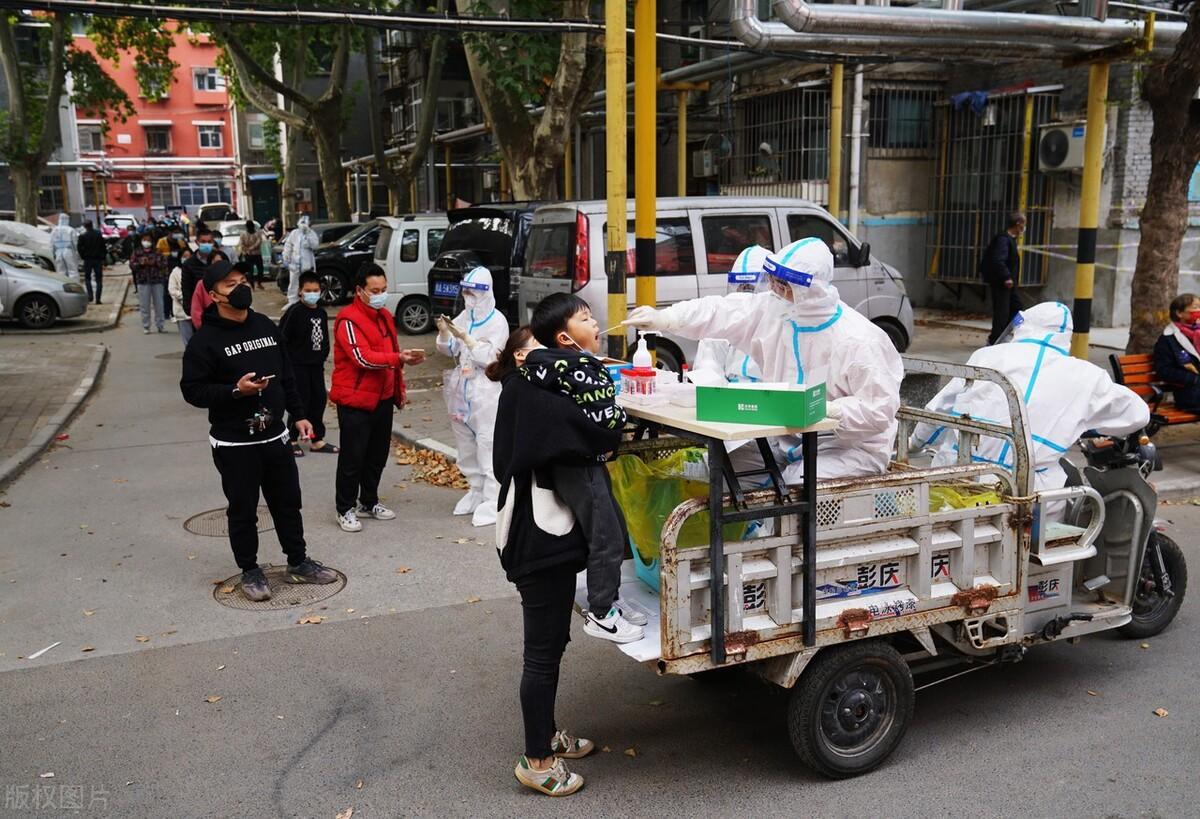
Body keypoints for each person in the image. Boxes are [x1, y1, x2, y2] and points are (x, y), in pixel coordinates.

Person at [624, 237, 904, 481]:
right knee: (725, 469)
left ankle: (786, 543)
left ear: (811, 288)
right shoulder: (775, 312)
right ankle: (748, 537)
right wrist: (668, 318)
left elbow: (880, 408)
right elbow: (720, 311)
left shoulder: (858, 339)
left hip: (848, 447)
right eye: (774, 281)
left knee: (797, 483)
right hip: (786, 438)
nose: (775, 289)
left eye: (784, 284)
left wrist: (832, 411)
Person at [493, 315, 628, 797]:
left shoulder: (525, 390)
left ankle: (547, 735)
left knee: (552, 645)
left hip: (538, 535)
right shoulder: (530, 396)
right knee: (542, 653)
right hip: (538, 542)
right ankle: (538, 760)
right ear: (525, 359)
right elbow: (597, 432)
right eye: (542, 353)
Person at [180, 260, 339, 602]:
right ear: (213, 295)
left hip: (276, 437)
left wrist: (299, 415)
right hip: (234, 443)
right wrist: (235, 391)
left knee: (287, 504)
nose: (240, 288)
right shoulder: (204, 341)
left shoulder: (265, 326)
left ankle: (298, 562)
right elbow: (192, 390)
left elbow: (287, 374)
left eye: (242, 280)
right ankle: (250, 571)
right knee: (243, 509)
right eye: (229, 284)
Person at [911, 302, 1149, 518]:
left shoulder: (986, 356)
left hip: (957, 478)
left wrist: (913, 445)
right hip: (1029, 494)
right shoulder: (1086, 376)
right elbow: (1137, 414)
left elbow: (938, 412)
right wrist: (1088, 422)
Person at [527, 293, 645, 644]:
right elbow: (606, 416)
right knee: (606, 536)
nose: (595, 323)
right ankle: (602, 613)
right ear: (565, 338)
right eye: (585, 318)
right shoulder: (579, 367)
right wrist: (623, 412)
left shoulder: (547, 364)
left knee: (613, 526)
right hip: (581, 464)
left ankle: (611, 599)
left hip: (569, 463)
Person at [330, 263, 425, 533]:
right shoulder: (347, 319)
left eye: (383, 289)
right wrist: (397, 359)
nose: (380, 294)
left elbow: (393, 355)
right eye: (375, 290)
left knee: (376, 456)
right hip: (355, 400)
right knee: (353, 458)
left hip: (382, 398)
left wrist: (399, 389)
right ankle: (344, 507)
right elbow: (361, 358)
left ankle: (369, 502)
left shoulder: (384, 315)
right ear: (359, 290)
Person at [435, 266, 509, 527]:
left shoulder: (497, 321)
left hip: (486, 391)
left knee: (488, 444)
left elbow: (491, 359)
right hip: (461, 389)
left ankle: (493, 498)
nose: (468, 297)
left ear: (486, 292)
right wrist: (445, 332)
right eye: (465, 292)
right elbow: (448, 349)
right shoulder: (465, 315)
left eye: (473, 293)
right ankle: (475, 490)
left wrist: (468, 339)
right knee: (465, 444)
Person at [279, 272, 338, 456]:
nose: (312, 293)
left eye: (316, 290)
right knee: (300, 401)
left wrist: (322, 355)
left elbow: (325, 340)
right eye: (308, 290)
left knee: (318, 400)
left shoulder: (320, 312)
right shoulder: (294, 312)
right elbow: (282, 339)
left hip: (315, 366)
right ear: (300, 292)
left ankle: (316, 439)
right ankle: (292, 438)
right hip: (297, 366)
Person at [982, 212, 1026, 345]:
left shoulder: (1009, 239)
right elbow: (998, 260)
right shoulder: (1003, 239)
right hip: (1002, 283)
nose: (1024, 227)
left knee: (1017, 308)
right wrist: (1006, 277)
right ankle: (994, 340)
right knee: (1002, 313)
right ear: (1018, 224)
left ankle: (1002, 334)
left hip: (1008, 284)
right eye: (1024, 223)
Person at [1152, 293, 1200, 411]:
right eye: (1194, 307)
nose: (1198, 310)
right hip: (1191, 395)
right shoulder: (1167, 339)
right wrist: (1194, 379)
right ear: (1179, 313)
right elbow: (1164, 370)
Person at [182, 228, 227, 330]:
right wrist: (191, 311)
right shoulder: (189, 264)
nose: (206, 244)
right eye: (203, 242)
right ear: (197, 242)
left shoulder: (220, 258)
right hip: (199, 310)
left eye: (209, 242)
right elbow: (186, 288)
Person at [130, 233, 169, 334]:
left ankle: (160, 325)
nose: (146, 242)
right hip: (143, 282)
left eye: (148, 240)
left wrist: (154, 263)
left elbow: (164, 263)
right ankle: (146, 326)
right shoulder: (137, 252)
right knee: (144, 305)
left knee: (159, 305)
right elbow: (132, 265)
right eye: (144, 240)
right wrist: (141, 263)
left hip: (157, 281)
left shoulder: (157, 252)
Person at [281, 215, 319, 306]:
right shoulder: (294, 233)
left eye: (305, 223)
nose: (303, 225)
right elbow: (288, 245)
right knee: (294, 283)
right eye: (301, 222)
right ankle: (292, 302)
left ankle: (309, 301)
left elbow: (315, 246)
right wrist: (286, 257)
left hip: (308, 264)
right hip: (295, 264)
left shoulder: (311, 233)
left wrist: (308, 235)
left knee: (308, 282)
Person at [168, 248, 195, 346]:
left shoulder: (195, 270)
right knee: (188, 340)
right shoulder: (175, 272)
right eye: (184, 256)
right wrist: (185, 296)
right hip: (182, 311)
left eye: (189, 256)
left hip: (196, 310)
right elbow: (172, 290)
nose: (187, 259)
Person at [76, 220, 106, 305]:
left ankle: (90, 296)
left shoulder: (83, 236)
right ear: (92, 225)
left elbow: (79, 248)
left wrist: (83, 256)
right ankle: (98, 299)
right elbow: (103, 247)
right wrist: (103, 258)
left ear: (85, 226)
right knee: (99, 280)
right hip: (98, 260)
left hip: (88, 259)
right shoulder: (98, 234)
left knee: (87, 278)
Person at [237, 221, 266, 290]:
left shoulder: (257, 233)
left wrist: (248, 249)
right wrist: (248, 250)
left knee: (258, 270)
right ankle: (253, 285)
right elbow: (242, 244)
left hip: (254, 254)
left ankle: (257, 284)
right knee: (252, 271)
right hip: (251, 254)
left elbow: (258, 242)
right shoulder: (244, 234)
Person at [49, 213, 78, 277]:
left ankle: (62, 284)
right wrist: (77, 252)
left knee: (60, 270)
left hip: (58, 251)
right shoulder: (70, 229)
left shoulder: (54, 230)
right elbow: (75, 242)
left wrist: (53, 253)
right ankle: (74, 283)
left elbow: (51, 243)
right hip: (68, 251)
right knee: (72, 269)